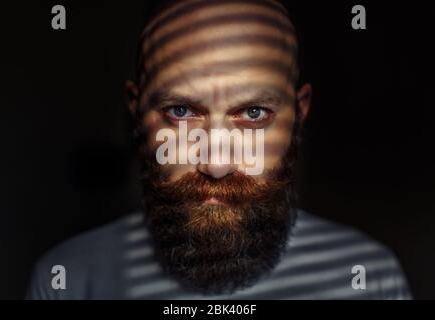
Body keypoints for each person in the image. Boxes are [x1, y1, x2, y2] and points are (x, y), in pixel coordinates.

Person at [27, 0, 411, 299]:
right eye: (180, 111)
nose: (216, 164)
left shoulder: (367, 275)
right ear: (137, 108)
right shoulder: (67, 279)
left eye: (254, 113)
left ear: (299, 113)